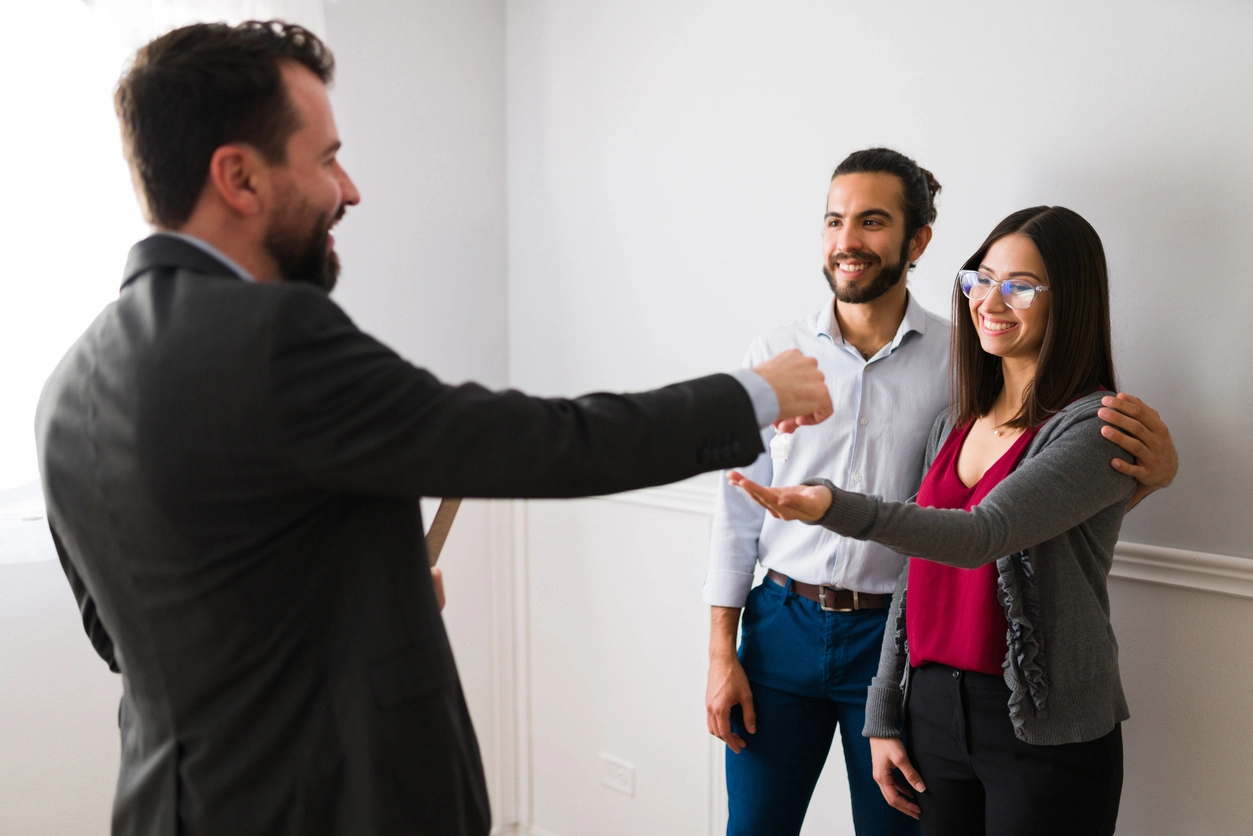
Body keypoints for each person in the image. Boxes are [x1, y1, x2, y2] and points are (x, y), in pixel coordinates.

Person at [34, 21, 835, 836]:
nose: (348, 190)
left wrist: (365, 596)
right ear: (238, 176)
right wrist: (753, 395)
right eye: (325, 159)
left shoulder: (67, 386)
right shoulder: (276, 332)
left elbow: (142, 633)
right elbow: (540, 442)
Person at [704, 150, 1178, 836]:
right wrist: (729, 655)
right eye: (834, 220)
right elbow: (744, 515)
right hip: (817, 639)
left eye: (870, 221)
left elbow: (993, 530)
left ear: (916, 239)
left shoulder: (987, 378)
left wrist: (830, 503)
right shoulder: (939, 402)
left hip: (958, 678)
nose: (846, 240)